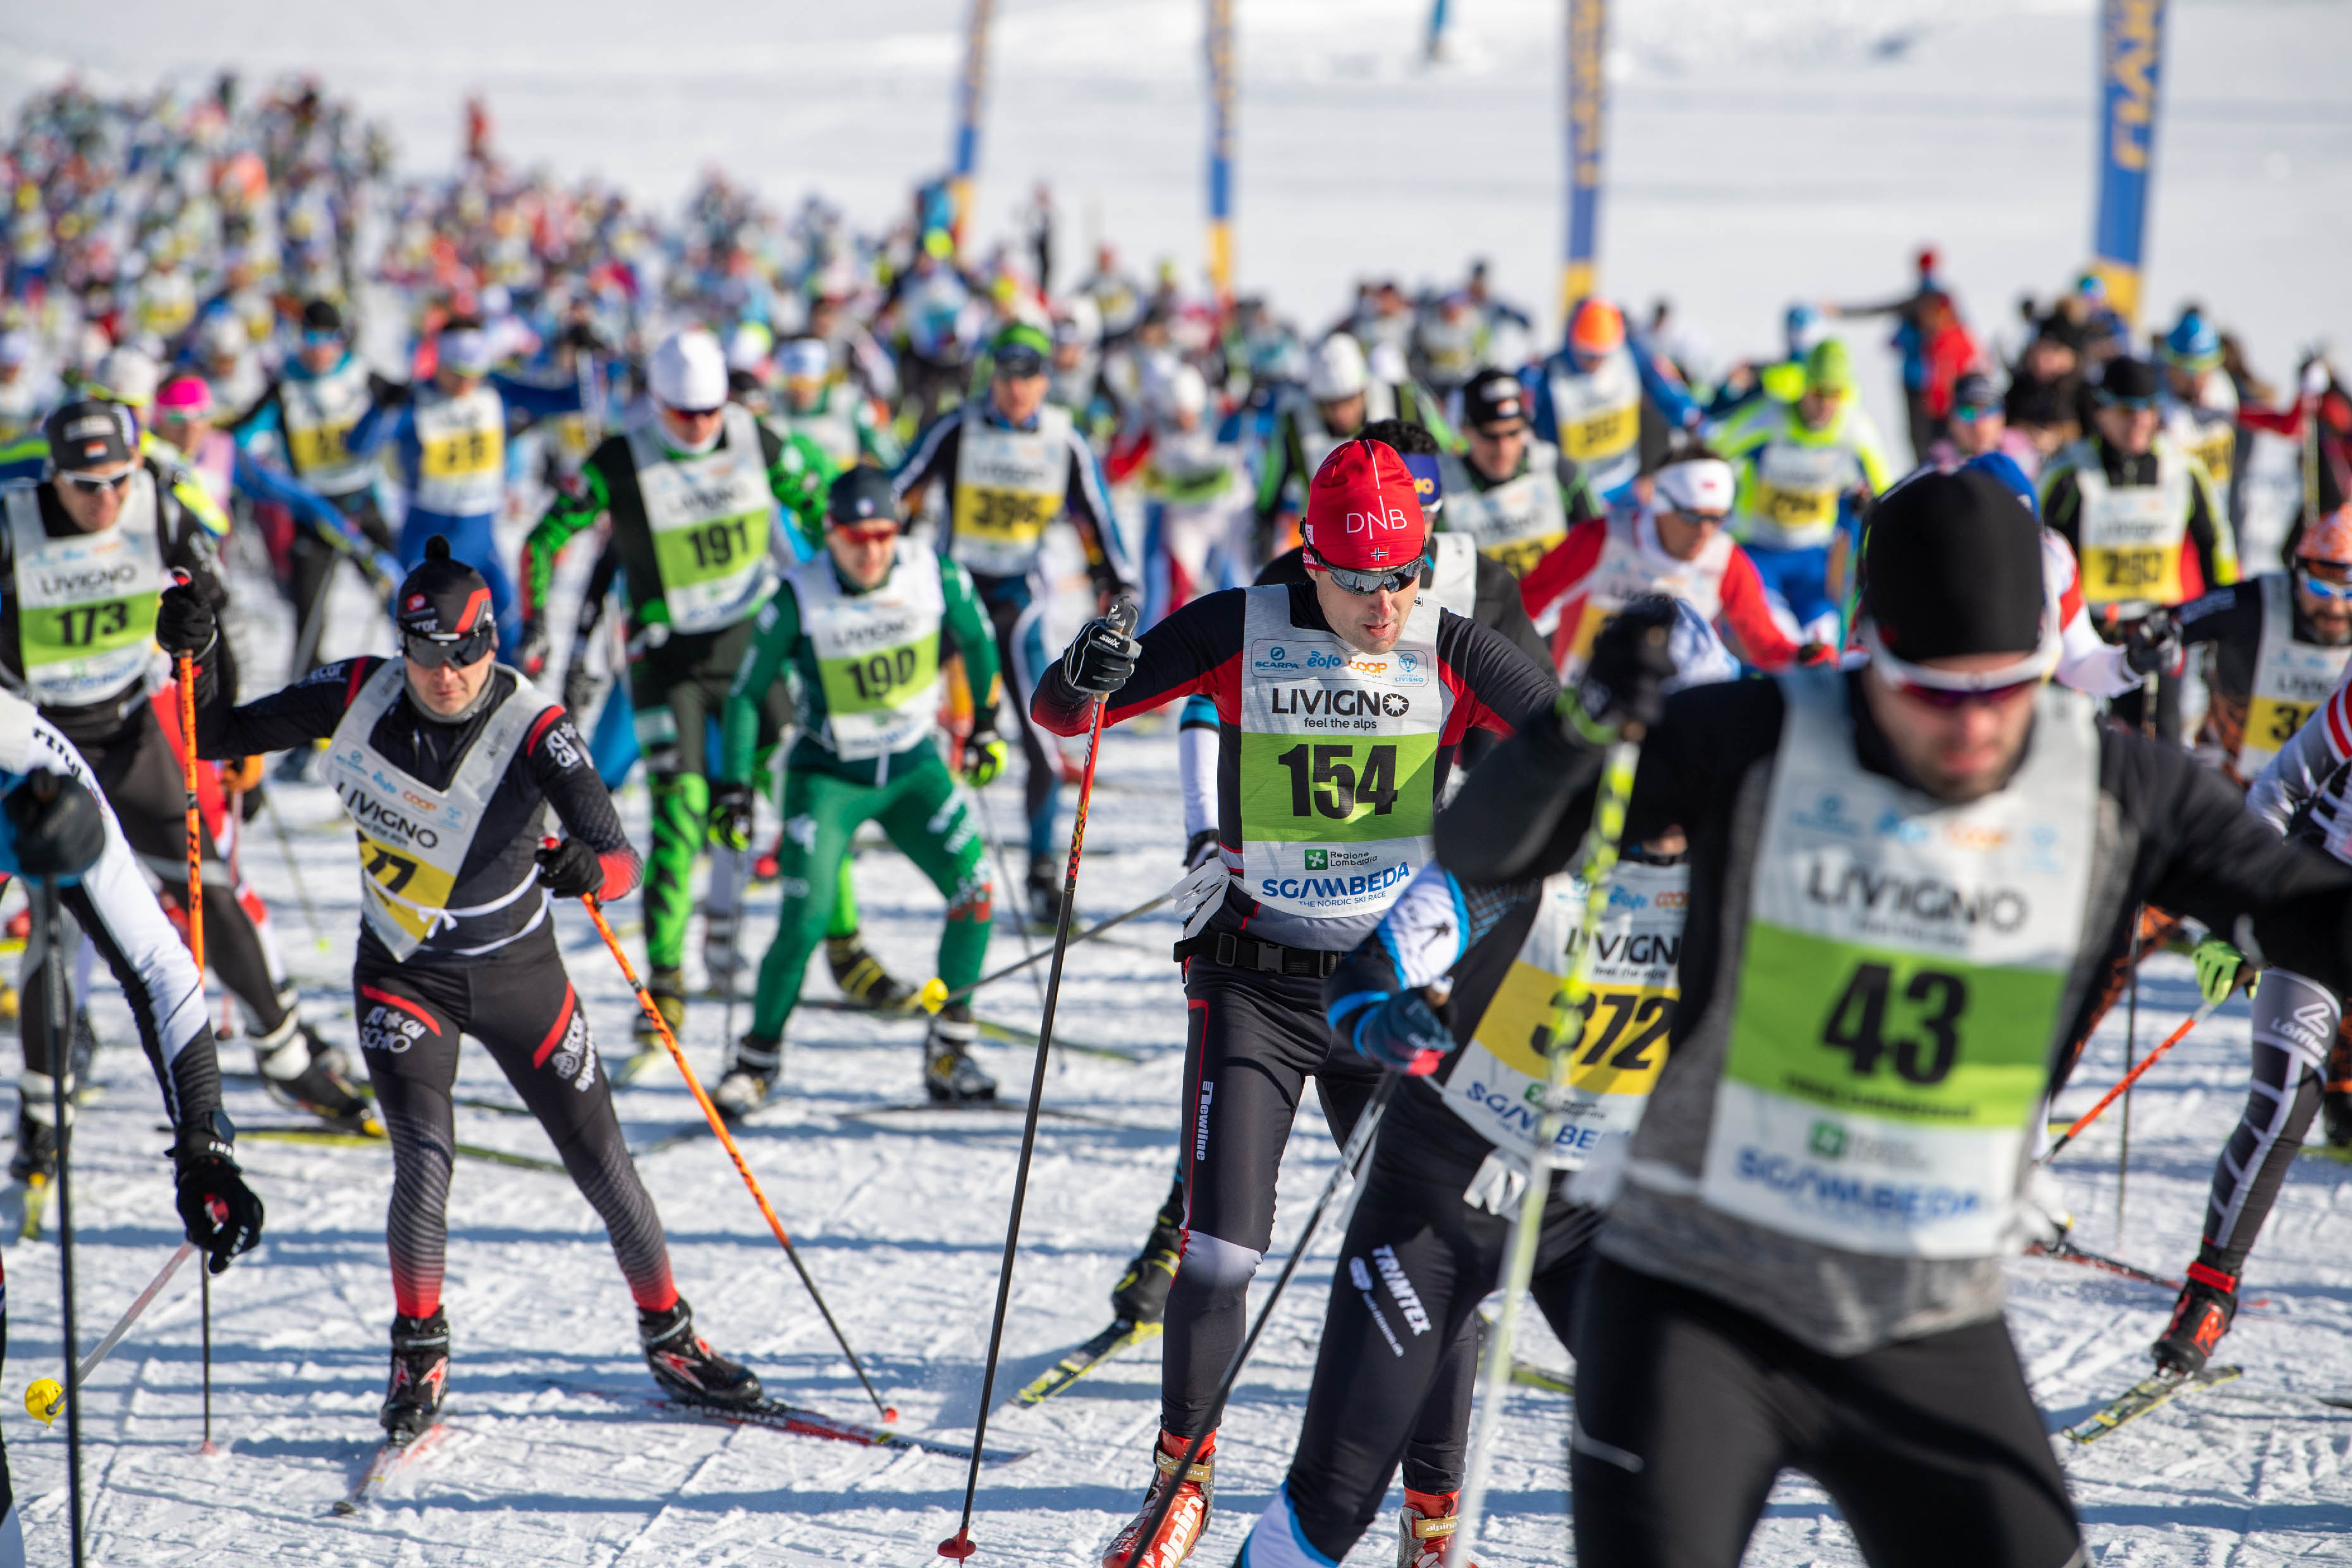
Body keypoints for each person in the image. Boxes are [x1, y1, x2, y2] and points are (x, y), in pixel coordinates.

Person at [1436, 464, 2352, 1567]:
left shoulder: (2117, 785)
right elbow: (1483, 849)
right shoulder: (1754, 733)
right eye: (1933, 693)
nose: (1971, 731)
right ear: (1868, 644)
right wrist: (1574, 726)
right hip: (1696, 1292)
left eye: (2007, 691)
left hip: (1924, 1312)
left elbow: (2312, 916)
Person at [1037, 439, 1557, 1568]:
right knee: (1219, 1252)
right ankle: (1181, 1488)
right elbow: (1066, 717)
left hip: (1390, 995)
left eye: (1407, 575)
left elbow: (1584, 750)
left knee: (1430, 1263)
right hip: (1256, 985)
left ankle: (1432, 1521)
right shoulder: (1238, 627)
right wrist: (1084, 670)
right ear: (1312, 562)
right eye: (1362, 580)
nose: (1387, 604)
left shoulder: (1449, 642)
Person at [160, 537, 766, 1436]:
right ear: (403, 646)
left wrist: (588, 872)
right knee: (425, 1163)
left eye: (466, 652)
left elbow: (621, 854)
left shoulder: (535, 725)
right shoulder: (357, 690)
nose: (446, 674)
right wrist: (198, 656)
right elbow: (211, 738)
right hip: (406, 977)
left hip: (521, 975)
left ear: (492, 640)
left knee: (604, 1164)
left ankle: (671, 1335)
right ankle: (419, 1355)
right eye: (428, 654)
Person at [1231, 607, 1707, 1568]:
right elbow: (1371, 972)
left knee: (1680, 1458)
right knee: (1336, 1496)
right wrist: (1385, 1018)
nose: (1675, 781)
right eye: (1650, 748)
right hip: (1446, 1193)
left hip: (1593, 1207)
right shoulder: (1534, 853)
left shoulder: (1737, 872)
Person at [0, 401, 364, 1142]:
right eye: (84, 484)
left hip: (129, 735)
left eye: (116, 479)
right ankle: (45, 1103)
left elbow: (215, 612)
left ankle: (285, 1052)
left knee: (209, 886)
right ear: (53, 476)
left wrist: (220, 711)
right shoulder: (13, 521)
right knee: (55, 927)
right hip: (34, 748)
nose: (104, 499)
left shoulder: (159, 505)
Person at [518, 329, 843, 1045]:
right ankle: (666, 977)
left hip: (753, 645)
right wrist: (537, 619)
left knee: (802, 780)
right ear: (657, 403)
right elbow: (543, 538)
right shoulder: (620, 459)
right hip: (670, 661)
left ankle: (833, 941)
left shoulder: (758, 438)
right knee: (681, 811)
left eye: (711, 410)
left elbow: (825, 512)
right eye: (684, 413)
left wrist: (845, 583)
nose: (701, 426)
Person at [708, 469, 1007, 1112]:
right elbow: (744, 695)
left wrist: (986, 723)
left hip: (912, 769)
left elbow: (980, 643)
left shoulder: (934, 573)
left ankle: (950, 1045)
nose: (872, 551)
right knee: (808, 916)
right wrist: (732, 788)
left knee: (975, 891)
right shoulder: (798, 594)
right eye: (855, 538)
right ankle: (756, 1058)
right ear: (830, 535)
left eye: (883, 534)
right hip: (829, 776)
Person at [893, 320, 1134, 928]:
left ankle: (1041, 871)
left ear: (1045, 383)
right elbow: (901, 489)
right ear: (991, 380)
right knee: (897, 714)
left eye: (1028, 381)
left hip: (1018, 599)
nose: (1016, 392)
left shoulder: (1063, 437)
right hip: (952, 593)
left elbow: (1096, 513)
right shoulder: (959, 426)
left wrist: (1117, 578)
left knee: (1044, 740)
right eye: (1006, 379)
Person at [348, 319, 584, 651]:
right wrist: (381, 407)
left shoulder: (496, 390)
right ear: (439, 362)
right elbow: (359, 448)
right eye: (457, 372)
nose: (466, 383)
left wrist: (585, 357)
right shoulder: (416, 401)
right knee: (415, 639)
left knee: (509, 636)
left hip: (481, 537)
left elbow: (571, 401)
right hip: (426, 537)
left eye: (473, 372)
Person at [2041, 355, 2236, 740]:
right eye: (2127, 409)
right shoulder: (2068, 474)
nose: (2140, 421)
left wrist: (2225, 623)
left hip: (2154, 631)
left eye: (2149, 408)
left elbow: (2218, 549)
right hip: (2086, 633)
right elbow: (2034, 552)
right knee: (2070, 747)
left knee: (2157, 751)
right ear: (2100, 411)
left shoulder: (2183, 471)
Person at [230, 298, 410, 677]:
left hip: (362, 502)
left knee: (401, 599)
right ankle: (307, 713)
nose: (317, 350)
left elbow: (405, 405)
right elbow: (242, 434)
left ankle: (415, 677)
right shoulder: (286, 383)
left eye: (325, 339)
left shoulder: (360, 374)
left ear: (341, 341)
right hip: (311, 510)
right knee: (309, 618)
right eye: (307, 339)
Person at [1518, 443, 1803, 680]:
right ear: (1662, 505)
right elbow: (1523, 606)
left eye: (1716, 518)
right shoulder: (1602, 539)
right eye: (1692, 517)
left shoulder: (1726, 560)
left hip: (1671, 716)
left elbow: (1766, 645)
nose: (1704, 532)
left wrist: (1808, 657)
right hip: (1581, 707)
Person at [1711, 338, 1894, 646]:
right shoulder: (1769, 419)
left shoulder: (1854, 430)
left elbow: (1889, 493)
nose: (1825, 403)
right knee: (1777, 638)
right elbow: (1711, 455)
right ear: (1803, 386)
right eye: (1818, 391)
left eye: (1835, 393)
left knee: (1822, 640)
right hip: (1757, 549)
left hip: (1813, 556)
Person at [1252, 331, 1456, 558]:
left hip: (1409, 539)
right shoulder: (1294, 426)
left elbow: (1445, 458)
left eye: (1349, 400)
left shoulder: (1402, 401)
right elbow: (1269, 497)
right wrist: (1263, 553)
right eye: (1330, 405)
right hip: (1334, 553)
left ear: (1364, 389)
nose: (1341, 413)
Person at [1528, 297, 1701, 508]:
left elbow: (1663, 389)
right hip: (1576, 490)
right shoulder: (1548, 374)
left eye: (1602, 355)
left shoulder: (1630, 355)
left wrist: (1692, 418)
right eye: (1586, 354)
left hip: (1625, 480)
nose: (1594, 362)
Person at [1434, 367, 1603, 580]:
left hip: (1553, 607)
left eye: (1513, 433)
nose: (1504, 448)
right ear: (1466, 430)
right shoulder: (1442, 485)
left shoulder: (1555, 468)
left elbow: (1599, 541)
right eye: (1491, 436)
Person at [773, 335, 900, 472]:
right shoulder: (773, 407)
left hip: (842, 487)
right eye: (795, 385)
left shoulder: (847, 403)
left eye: (809, 384)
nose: (802, 392)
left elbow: (888, 455)